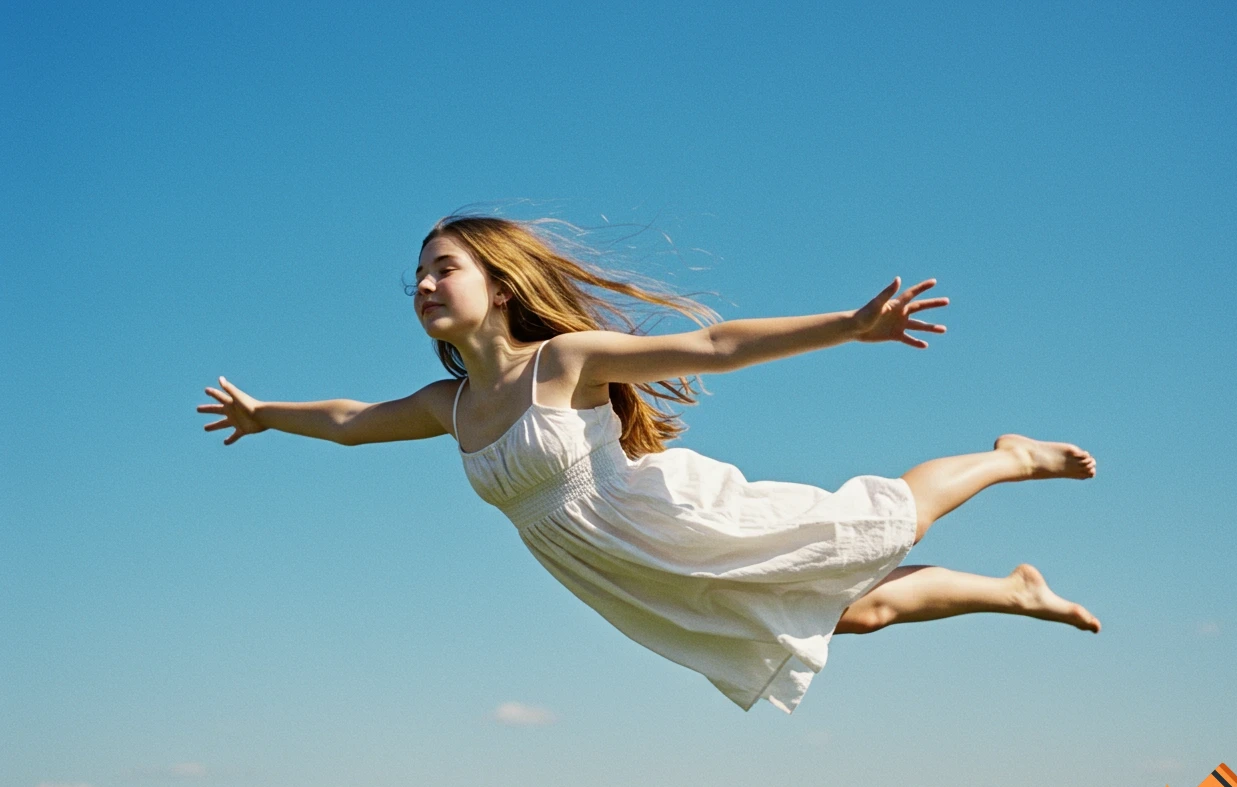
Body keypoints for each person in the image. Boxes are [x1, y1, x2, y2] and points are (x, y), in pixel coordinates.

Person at [198, 214, 1098, 713]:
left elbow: (712, 346)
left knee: (880, 524)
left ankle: (1007, 458)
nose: (426, 285)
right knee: (850, 619)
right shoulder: (453, 406)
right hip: (629, 574)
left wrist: (849, 327)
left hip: (670, 520)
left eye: (445, 269)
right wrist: (265, 416)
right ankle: (1014, 591)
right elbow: (354, 421)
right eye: (419, 276)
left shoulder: (565, 362)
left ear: (499, 286)